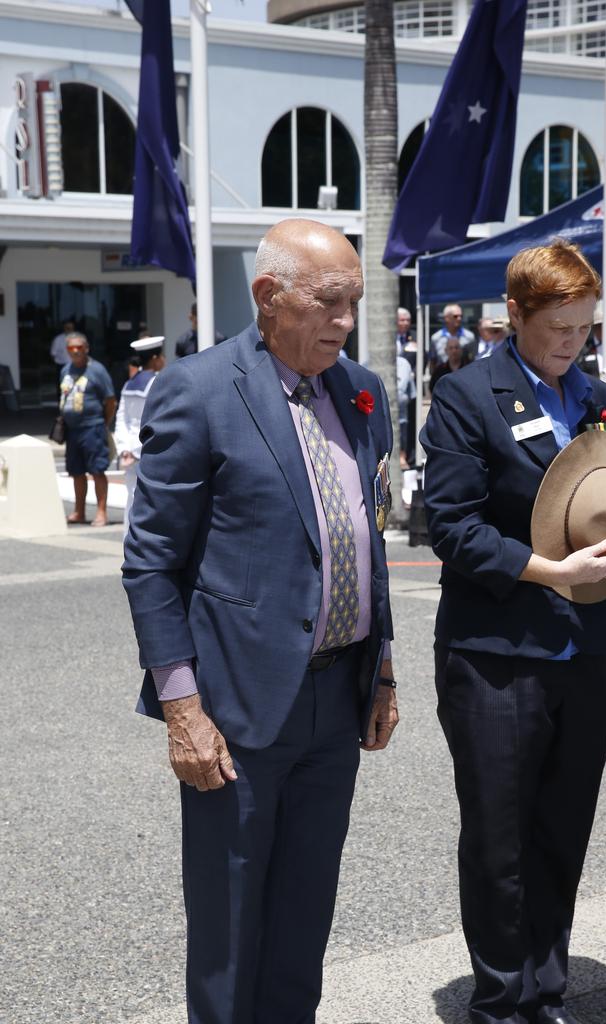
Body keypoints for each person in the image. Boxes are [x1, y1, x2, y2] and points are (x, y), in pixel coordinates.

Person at [122, 219, 399, 1024]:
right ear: (268, 297)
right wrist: (181, 708)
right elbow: (150, 563)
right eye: (330, 301)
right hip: (235, 708)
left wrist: (382, 668)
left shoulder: (364, 391)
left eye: (354, 301)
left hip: (336, 700)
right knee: (230, 924)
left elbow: (369, 536)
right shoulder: (199, 391)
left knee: (304, 919)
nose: (345, 320)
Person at [420, 240, 606, 1024]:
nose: (573, 344)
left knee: (562, 829)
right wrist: (551, 574)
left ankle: (546, 990)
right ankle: (500, 999)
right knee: (498, 839)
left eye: (585, 328)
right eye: (558, 328)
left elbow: (602, 521)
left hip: (583, 648)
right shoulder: (465, 395)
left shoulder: (594, 396)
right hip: (496, 653)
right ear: (514, 314)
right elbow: (451, 529)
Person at [59, 332, 116, 527]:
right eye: (70, 348)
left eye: (79, 348)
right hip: (72, 430)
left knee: (97, 470)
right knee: (76, 471)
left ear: (86, 349)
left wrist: (103, 422)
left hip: (93, 427)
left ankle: (101, 512)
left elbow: (110, 400)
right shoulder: (65, 370)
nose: (75, 352)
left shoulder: (97, 370)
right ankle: (79, 511)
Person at [114, 336, 166, 536]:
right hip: (148, 449)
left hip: (131, 450)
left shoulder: (130, 383)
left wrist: (124, 449)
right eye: (161, 356)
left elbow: (122, 420)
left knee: (131, 496)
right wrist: (135, 450)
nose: (163, 359)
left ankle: (130, 539)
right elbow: (154, 419)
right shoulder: (157, 382)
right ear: (154, 358)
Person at [430, 302, 476, 369]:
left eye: (461, 316)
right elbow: (432, 361)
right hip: (442, 375)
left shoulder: (469, 337)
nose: (459, 319)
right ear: (446, 318)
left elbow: (472, 359)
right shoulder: (436, 338)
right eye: (455, 316)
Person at [397, 352, 416, 469]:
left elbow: (411, 392)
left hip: (401, 413)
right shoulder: (367, 363)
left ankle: (402, 457)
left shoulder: (404, 364)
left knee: (403, 435)